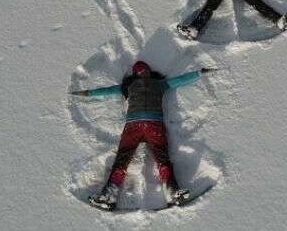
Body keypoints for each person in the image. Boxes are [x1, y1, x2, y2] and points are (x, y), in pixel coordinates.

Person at [72, 61, 212, 211]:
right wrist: (87, 93)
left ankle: (173, 192)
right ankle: (108, 196)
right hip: (136, 125)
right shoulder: (129, 86)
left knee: (162, 158)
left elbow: (180, 79)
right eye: (140, 71)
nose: (143, 72)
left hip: (151, 125)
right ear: (135, 74)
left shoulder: (159, 84)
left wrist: (199, 72)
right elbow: (107, 90)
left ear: (149, 71)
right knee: (122, 159)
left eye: (145, 70)